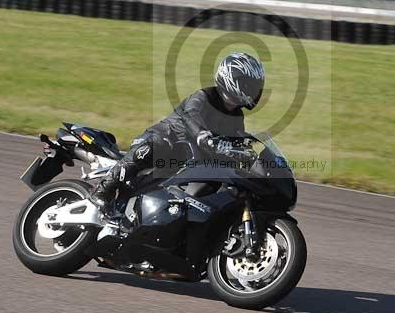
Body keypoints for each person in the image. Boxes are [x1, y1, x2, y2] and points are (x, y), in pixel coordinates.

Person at [90, 52, 265, 208]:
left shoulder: (237, 116)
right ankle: (104, 188)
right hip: (168, 138)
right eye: (249, 84)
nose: (254, 90)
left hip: (190, 159)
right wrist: (202, 134)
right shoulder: (204, 97)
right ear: (231, 79)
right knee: (155, 146)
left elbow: (237, 142)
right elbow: (191, 116)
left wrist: (250, 158)